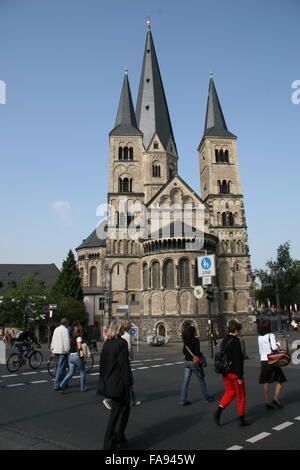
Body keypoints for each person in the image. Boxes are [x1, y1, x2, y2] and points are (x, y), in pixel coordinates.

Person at [98, 320, 133, 450]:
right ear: (119, 329)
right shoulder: (122, 343)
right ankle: (109, 442)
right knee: (119, 412)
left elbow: (102, 364)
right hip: (119, 383)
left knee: (122, 409)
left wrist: (104, 380)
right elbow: (124, 365)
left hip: (109, 382)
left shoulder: (107, 343)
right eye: (122, 328)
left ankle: (120, 437)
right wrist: (129, 383)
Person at [214, 320, 250, 426]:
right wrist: (239, 376)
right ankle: (242, 418)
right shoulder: (235, 342)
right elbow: (237, 360)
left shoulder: (225, 340)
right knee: (241, 395)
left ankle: (219, 410)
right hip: (235, 373)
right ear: (235, 330)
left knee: (230, 392)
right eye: (238, 330)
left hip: (225, 372)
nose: (239, 332)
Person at [102, 320, 142, 410]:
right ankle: (108, 399)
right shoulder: (126, 336)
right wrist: (130, 357)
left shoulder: (112, 338)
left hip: (114, 361)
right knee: (128, 380)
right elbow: (128, 349)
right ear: (127, 326)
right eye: (130, 325)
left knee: (126, 381)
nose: (131, 327)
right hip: (125, 360)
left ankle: (133, 400)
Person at [180, 325, 213, 405]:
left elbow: (184, 351)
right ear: (194, 332)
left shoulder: (186, 340)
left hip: (187, 362)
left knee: (185, 382)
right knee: (201, 380)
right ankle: (206, 397)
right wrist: (201, 355)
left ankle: (183, 400)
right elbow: (197, 352)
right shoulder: (195, 340)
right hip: (194, 362)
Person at [258, 319, 287, 409]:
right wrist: (278, 344)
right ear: (268, 327)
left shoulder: (259, 337)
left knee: (266, 381)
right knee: (281, 380)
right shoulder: (271, 335)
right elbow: (274, 347)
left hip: (263, 360)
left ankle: (267, 400)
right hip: (272, 360)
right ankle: (275, 398)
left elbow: (260, 350)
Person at [59, 325, 88, 393]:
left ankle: (62, 385)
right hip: (77, 356)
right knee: (82, 371)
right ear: (80, 331)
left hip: (71, 357)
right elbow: (79, 347)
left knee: (71, 372)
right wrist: (83, 350)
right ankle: (83, 387)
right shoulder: (78, 338)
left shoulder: (72, 338)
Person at [50, 318, 70, 391]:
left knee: (63, 367)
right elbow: (66, 342)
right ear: (66, 323)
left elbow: (53, 339)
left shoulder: (56, 329)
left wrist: (52, 349)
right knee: (61, 368)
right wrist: (68, 350)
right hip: (62, 351)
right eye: (68, 323)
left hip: (56, 350)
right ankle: (57, 384)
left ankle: (64, 383)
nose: (68, 324)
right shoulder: (65, 330)